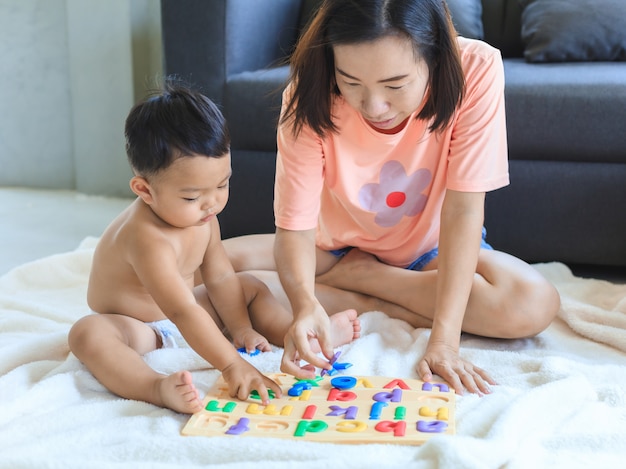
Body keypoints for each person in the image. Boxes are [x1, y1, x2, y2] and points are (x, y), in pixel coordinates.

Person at [224, 0, 561, 395]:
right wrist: (303, 306)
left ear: (434, 56)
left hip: (431, 253)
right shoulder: (309, 90)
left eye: (395, 85)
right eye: (350, 82)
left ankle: (368, 281)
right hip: (332, 248)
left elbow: (464, 211)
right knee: (201, 267)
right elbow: (294, 226)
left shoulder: (476, 69)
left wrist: (444, 342)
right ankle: (376, 296)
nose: (373, 106)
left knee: (532, 303)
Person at [68, 81, 361, 414]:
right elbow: (181, 311)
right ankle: (154, 387)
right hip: (138, 326)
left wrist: (240, 328)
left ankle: (301, 338)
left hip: (187, 309)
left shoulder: (203, 217)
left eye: (222, 184)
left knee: (248, 286)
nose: (212, 203)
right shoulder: (146, 237)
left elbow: (220, 275)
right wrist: (231, 364)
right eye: (192, 196)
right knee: (87, 334)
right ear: (145, 190)